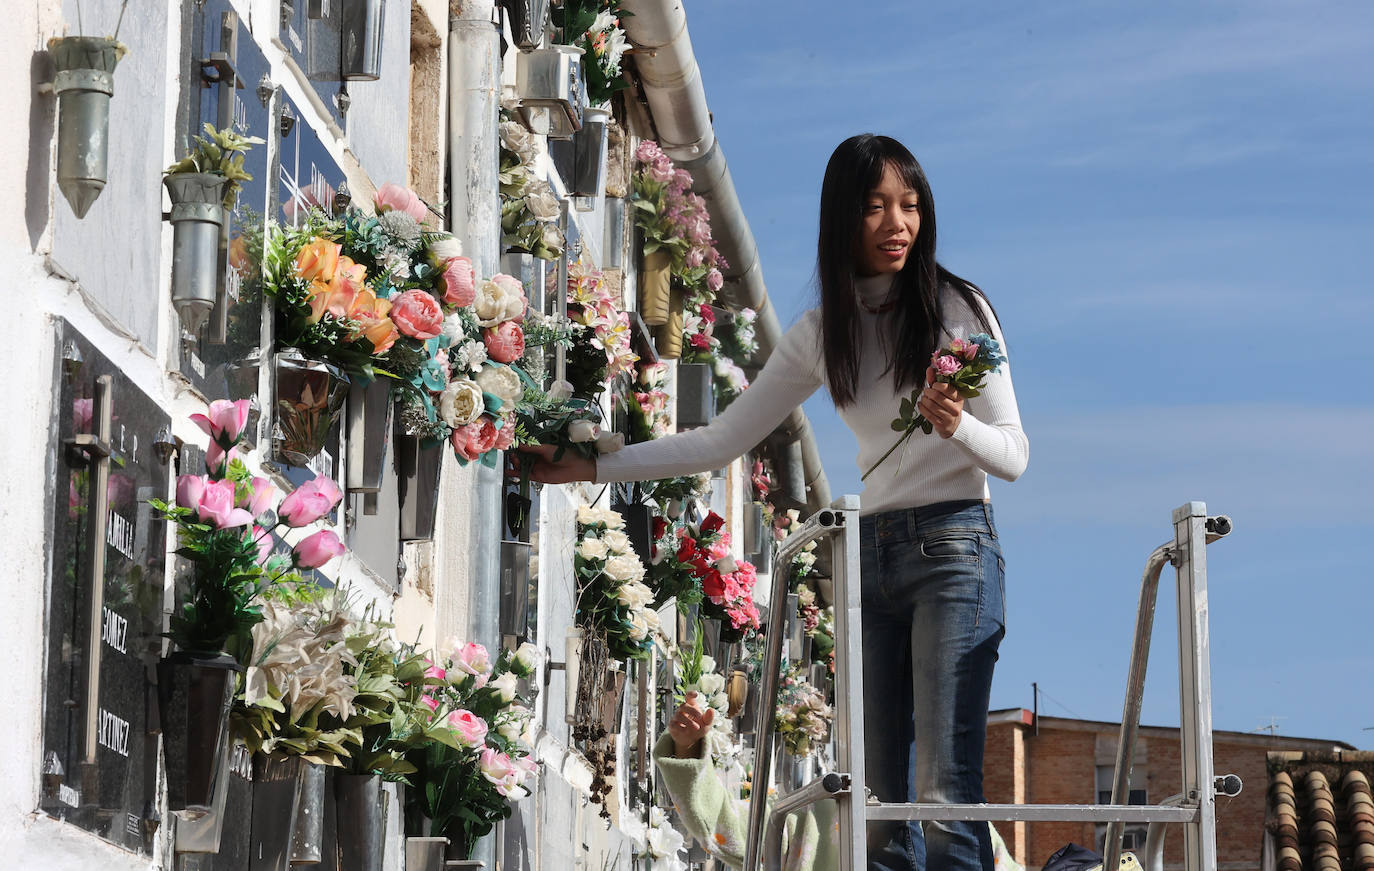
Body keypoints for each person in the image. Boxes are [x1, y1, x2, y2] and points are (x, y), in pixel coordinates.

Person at [517, 133, 1029, 871]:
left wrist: (959, 424)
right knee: (876, 807)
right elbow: (719, 441)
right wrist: (593, 462)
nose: (897, 224)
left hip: (955, 548)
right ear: (843, 217)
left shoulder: (958, 307)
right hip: (870, 559)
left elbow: (1013, 455)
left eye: (910, 206)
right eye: (878, 206)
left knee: (945, 789)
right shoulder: (824, 334)